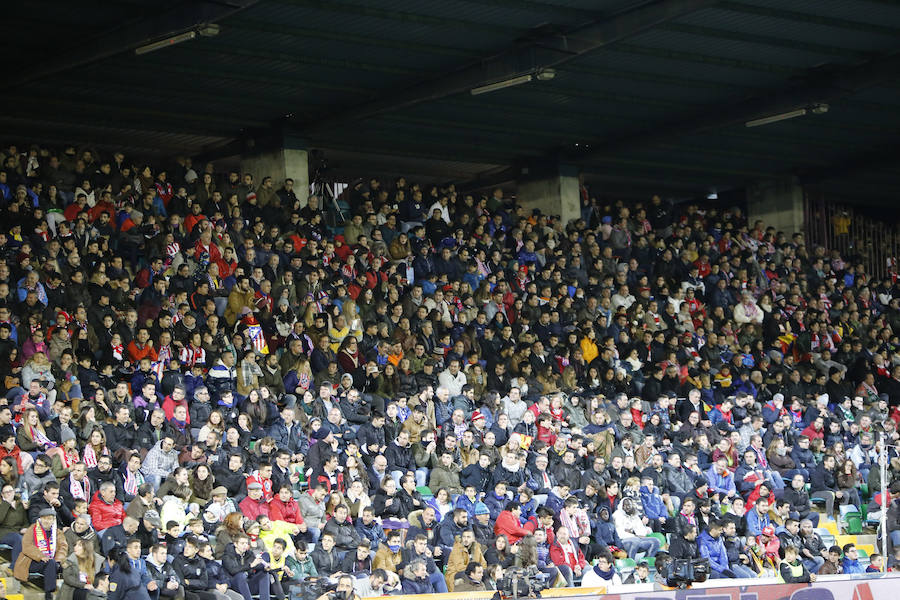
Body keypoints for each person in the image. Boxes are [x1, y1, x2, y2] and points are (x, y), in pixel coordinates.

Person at [14, 508, 69, 600]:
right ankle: (49, 593)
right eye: (45, 518)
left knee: (66, 565)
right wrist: (41, 556)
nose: (47, 521)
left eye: (50, 519)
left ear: (53, 520)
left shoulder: (57, 532)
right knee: (51, 564)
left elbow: (63, 547)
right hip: (31, 561)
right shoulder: (32, 529)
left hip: (51, 562)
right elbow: (27, 546)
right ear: (41, 519)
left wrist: (58, 560)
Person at [223, 534, 270, 600]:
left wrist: (264, 567)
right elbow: (233, 570)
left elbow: (256, 565)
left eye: (246, 543)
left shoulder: (249, 554)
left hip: (248, 584)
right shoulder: (228, 556)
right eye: (242, 543)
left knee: (264, 574)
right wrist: (250, 565)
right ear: (235, 544)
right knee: (240, 575)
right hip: (234, 585)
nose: (245, 545)